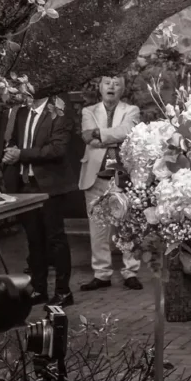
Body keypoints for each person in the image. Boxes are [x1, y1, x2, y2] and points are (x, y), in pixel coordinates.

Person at [1, 96, 77, 306]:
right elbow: (14, 140)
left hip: (50, 186)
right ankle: (39, 289)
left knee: (55, 239)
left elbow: (57, 149)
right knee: (34, 240)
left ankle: (63, 292)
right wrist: (10, 153)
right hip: (25, 184)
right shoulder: (21, 111)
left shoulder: (59, 111)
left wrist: (21, 155)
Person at [79, 75, 143, 291]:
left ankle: (130, 272)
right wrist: (114, 137)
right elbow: (88, 138)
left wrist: (101, 135)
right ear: (100, 87)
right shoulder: (88, 111)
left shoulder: (131, 110)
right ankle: (102, 274)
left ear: (122, 89)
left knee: (127, 226)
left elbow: (128, 132)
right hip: (95, 177)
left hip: (122, 177)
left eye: (116, 84)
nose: (112, 87)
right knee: (97, 229)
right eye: (107, 83)